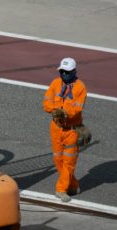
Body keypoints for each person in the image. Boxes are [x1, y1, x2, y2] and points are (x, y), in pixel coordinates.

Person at [43, 57, 87, 202]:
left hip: (71, 130)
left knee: (69, 162)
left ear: (74, 71)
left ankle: (61, 189)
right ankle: (73, 184)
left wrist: (64, 112)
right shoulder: (55, 83)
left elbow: (77, 108)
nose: (64, 74)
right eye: (62, 71)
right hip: (56, 128)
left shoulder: (80, 87)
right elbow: (46, 102)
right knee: (58, 160)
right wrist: (55, 109)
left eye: (67, 72)